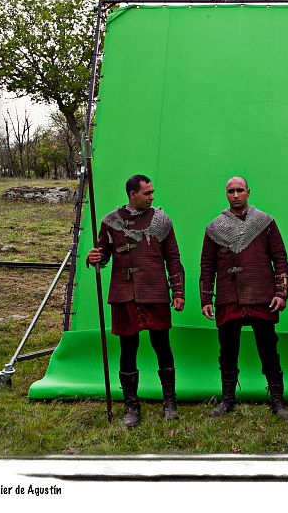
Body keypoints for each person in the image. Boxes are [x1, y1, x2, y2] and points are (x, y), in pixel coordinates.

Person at [86, 174, 185, 427]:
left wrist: (178, 292)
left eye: (152, 192)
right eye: (147, 193)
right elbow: (103, 255)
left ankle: (170, 402)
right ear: (133, 194)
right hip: (124, 294)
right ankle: (131, 406)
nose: (152, 197)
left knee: (162, 345)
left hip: (154, 292)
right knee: (128, 348)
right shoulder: (111, 221)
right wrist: (94, 257)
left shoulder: (161, 221)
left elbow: (173, 259)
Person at [199, 176, 288, 420]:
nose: (235, 195)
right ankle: (227, 400)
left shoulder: (265, 222)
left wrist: (281, 293)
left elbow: (280, 259)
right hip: (229, 297)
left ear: (248, 192)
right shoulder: (214, 227)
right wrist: (206, 299)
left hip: (261, 295)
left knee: (268, 349)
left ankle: (278, 400)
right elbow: (207, 266)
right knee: (227, 351)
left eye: (240, 190)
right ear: (226, 194)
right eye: (231, 191)